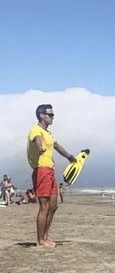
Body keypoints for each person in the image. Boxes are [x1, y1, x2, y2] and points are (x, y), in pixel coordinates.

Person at [27, 104, 77, 248]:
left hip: (50, 170)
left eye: (53, 114)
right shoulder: (35, 130)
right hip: (41, 170)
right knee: (44, 207)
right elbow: (37, 140)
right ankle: (40, 240)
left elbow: (57, 146)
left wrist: (70, 157)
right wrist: (40, 148)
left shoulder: (49, 133)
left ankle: (46, 237)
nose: (53, 117)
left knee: (53, 206)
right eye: (51, 115)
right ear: (42, 115)